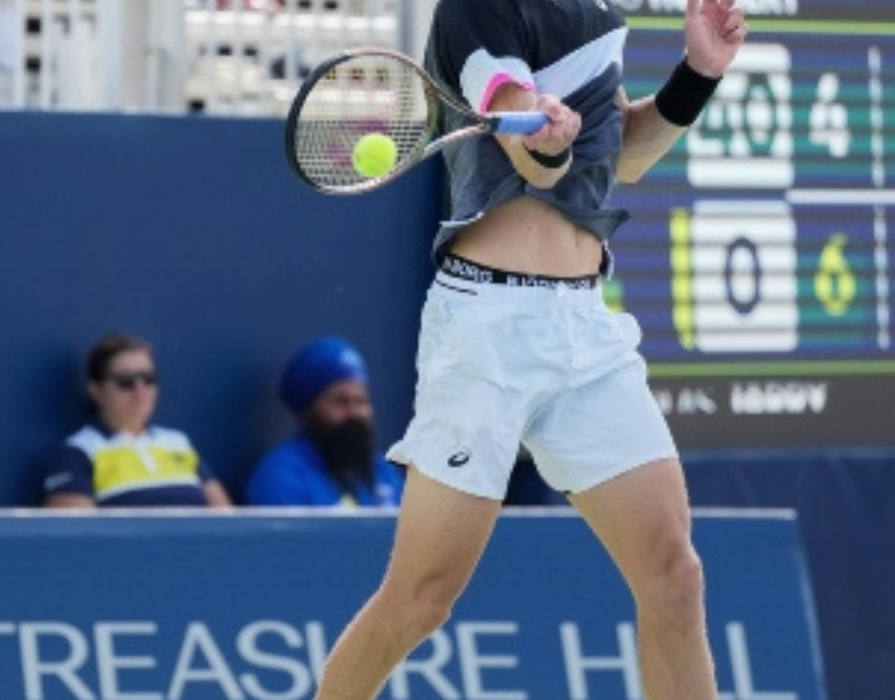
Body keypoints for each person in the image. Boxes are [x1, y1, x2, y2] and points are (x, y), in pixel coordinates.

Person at [310, 1, 747, 699]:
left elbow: (623, 156)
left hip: (587, 327)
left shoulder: (595, 12)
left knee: (674, 576)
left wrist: (698, 73)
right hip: (489, 330)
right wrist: (546, 138)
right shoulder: (477, 8)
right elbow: (533, 154)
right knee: (420, 601)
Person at [41, 332, 233, 508]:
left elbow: (225, 520)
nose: (140, 391)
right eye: (125, 382)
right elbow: (78, 536)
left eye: (148, 379)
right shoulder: (78, 452)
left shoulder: (179, 442)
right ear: (96, 390)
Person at [244, 336, 404, 508]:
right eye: (340, 401)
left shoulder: (385, 473)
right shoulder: (280, 476)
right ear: (308, 410)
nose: (354, 413)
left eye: (361, 401)